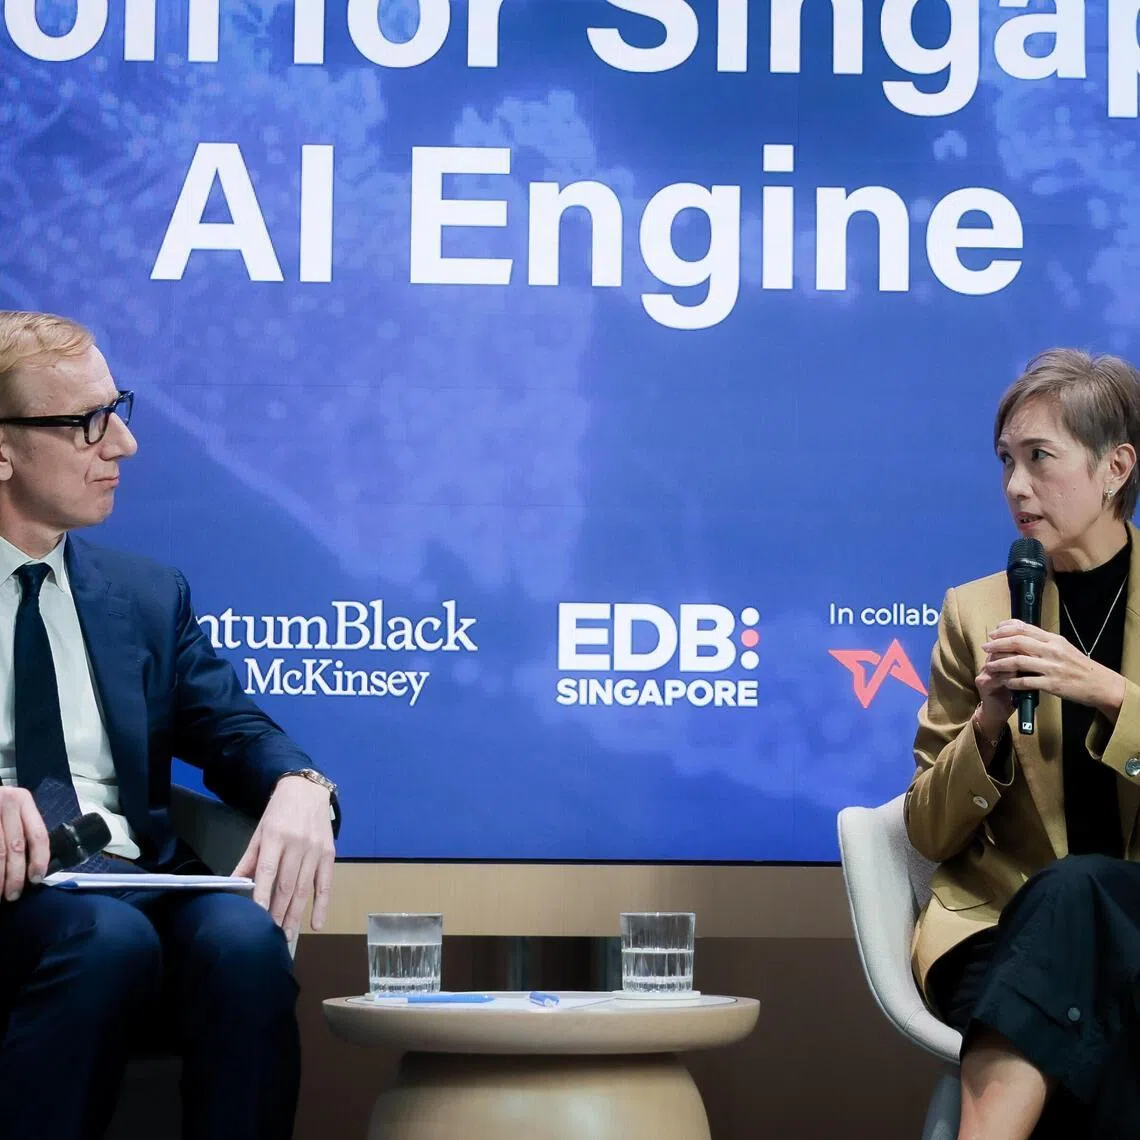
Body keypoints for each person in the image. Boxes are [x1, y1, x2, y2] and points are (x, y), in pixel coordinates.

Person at [0, 310, 339, 1140]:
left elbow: (233, 730)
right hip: (17, 892)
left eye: (118, 409)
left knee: (243, 943)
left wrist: (300, 784)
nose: (123, 445)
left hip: (133, 877)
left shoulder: (147, 596)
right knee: (108, 941)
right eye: (87, 424)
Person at [906, 347, 1140, 1139]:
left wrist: (1108, 692)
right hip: (1003, 930)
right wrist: (987, 725)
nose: (1014, 486)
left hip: (1133, 925)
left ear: (1115, 467)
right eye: (1006, 460)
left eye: (1040, 458)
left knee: (1087, 907)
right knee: (1074, 943)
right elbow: (929, 830)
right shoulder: (977, 614)